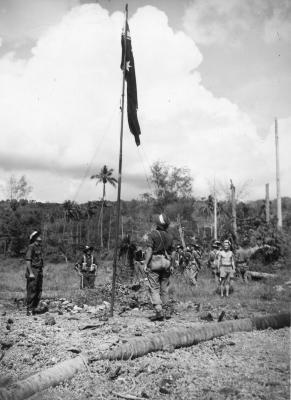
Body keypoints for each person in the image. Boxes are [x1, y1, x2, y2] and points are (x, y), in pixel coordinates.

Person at [143, 213, 176, 321]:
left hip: (155, 263)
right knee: (164, 289)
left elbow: (149, 250)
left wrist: (145, 263)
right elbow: (173, 252)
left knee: (154, 288)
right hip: (166, 263)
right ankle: (166, 311)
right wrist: (172, 264)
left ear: (157, 224)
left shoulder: (152, 234)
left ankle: (158, 310)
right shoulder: (170, 236)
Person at [25, 231, 44, 316]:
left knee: (39, 290)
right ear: (35, 238)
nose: (40, 236)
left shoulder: (39, 247)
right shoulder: (31, 247)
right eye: (38, 236)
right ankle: (29, 309)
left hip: (39, 270)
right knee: (32, 289)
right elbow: (28, 260)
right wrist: (31, 273)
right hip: (33, 270)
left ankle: (34, 308)